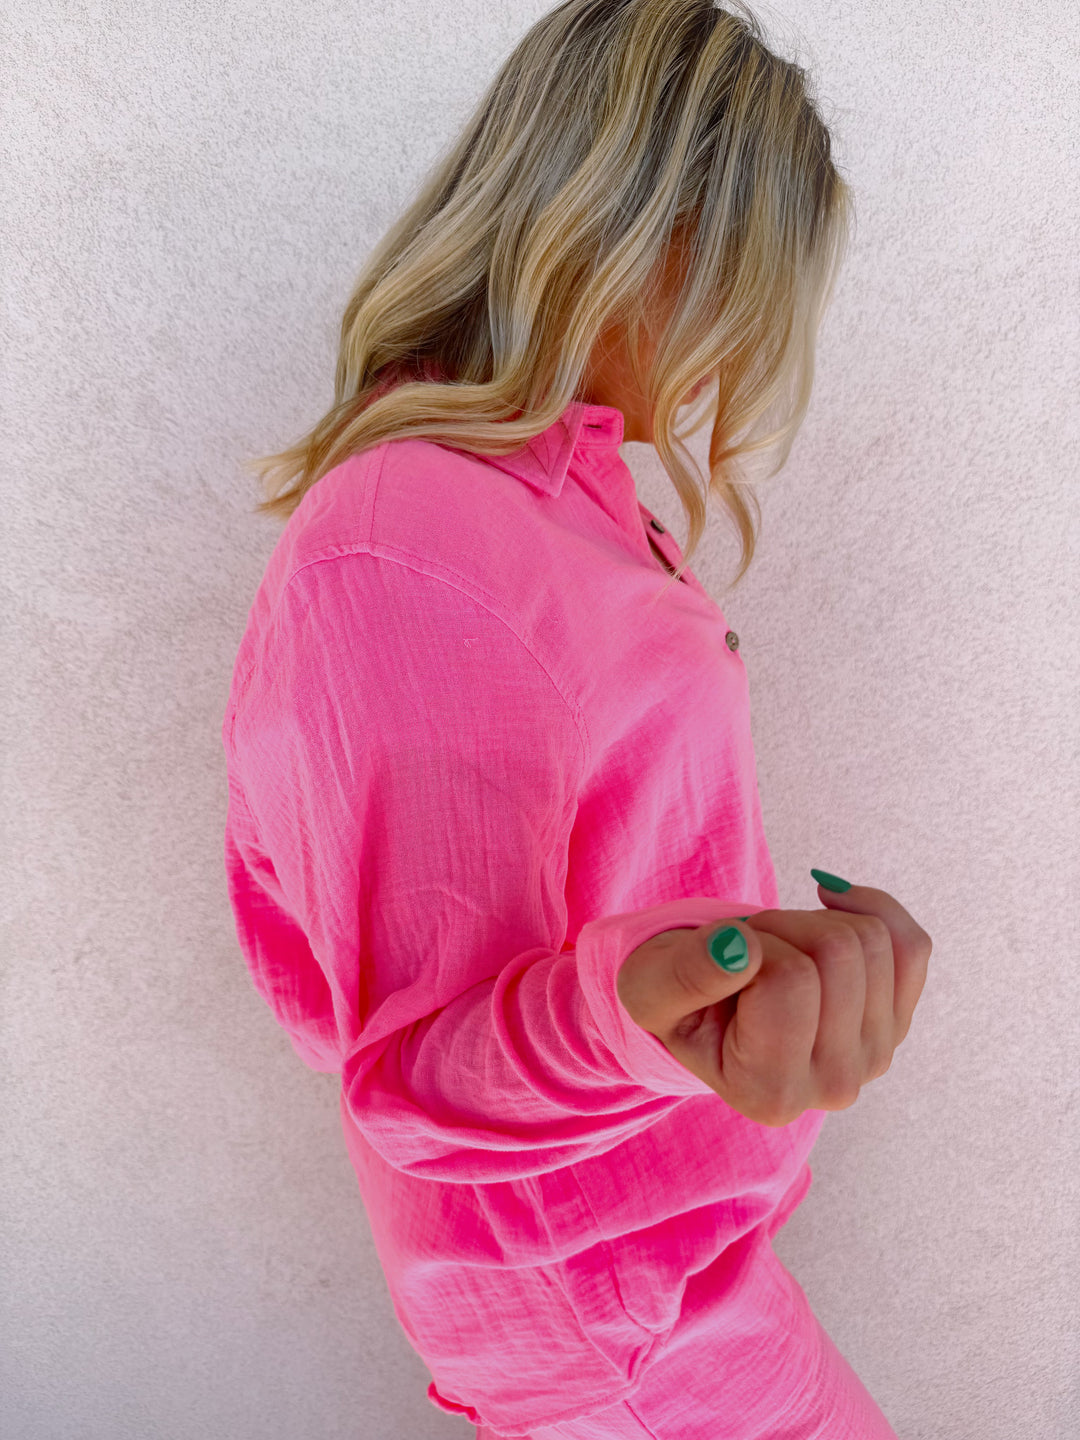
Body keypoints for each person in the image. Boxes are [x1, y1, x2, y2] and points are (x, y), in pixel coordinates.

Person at [221, 2, 932, 1436]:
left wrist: (719, 989)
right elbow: (418, 1075)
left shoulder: (561, 510)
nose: (745, 344)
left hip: (656, 1286)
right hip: (613, 1315)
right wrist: (656, 996)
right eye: (750, 274)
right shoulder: (411, 533)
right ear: (655, 229)